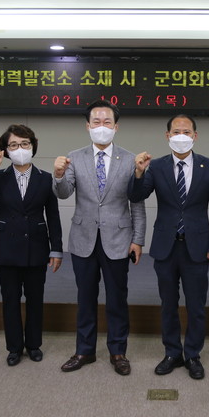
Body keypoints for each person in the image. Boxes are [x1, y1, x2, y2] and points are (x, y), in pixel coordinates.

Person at [128, 114, 209, 380]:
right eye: (176, 131)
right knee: (168, 304)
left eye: (187, 131)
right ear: (167, 135)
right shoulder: (156, 166)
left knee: (196, 305)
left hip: (197, 246)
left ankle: (193, 354)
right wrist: (138, 172)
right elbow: (136, 195)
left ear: (195, 136)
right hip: (166, 246)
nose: (181, 136)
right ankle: (172, 352)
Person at [53, 99, 146, 376]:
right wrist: (58, 175)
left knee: (117, 298)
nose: (101, 126)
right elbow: (63, 193)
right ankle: (85, 350)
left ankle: (118, 351)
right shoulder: (74, 157)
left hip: (118, 239)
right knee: (85, 298)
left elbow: (137, 203)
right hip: (83, 238)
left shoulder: (130, 159)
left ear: (116, 127)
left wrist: (138, 239)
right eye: (96, 122)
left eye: (107, 122)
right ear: (88, 126)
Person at [0, 124, 63, 366]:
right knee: (10, 300)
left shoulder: (45, 178)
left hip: (37, 247)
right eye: (13, 145)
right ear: (5, 150)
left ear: (33, 146)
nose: (20, 148)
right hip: (7, 247)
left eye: (24, 143)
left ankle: (33, 345)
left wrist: (56, 248)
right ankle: (14, 347)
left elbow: (53, 217)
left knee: (35, 299)